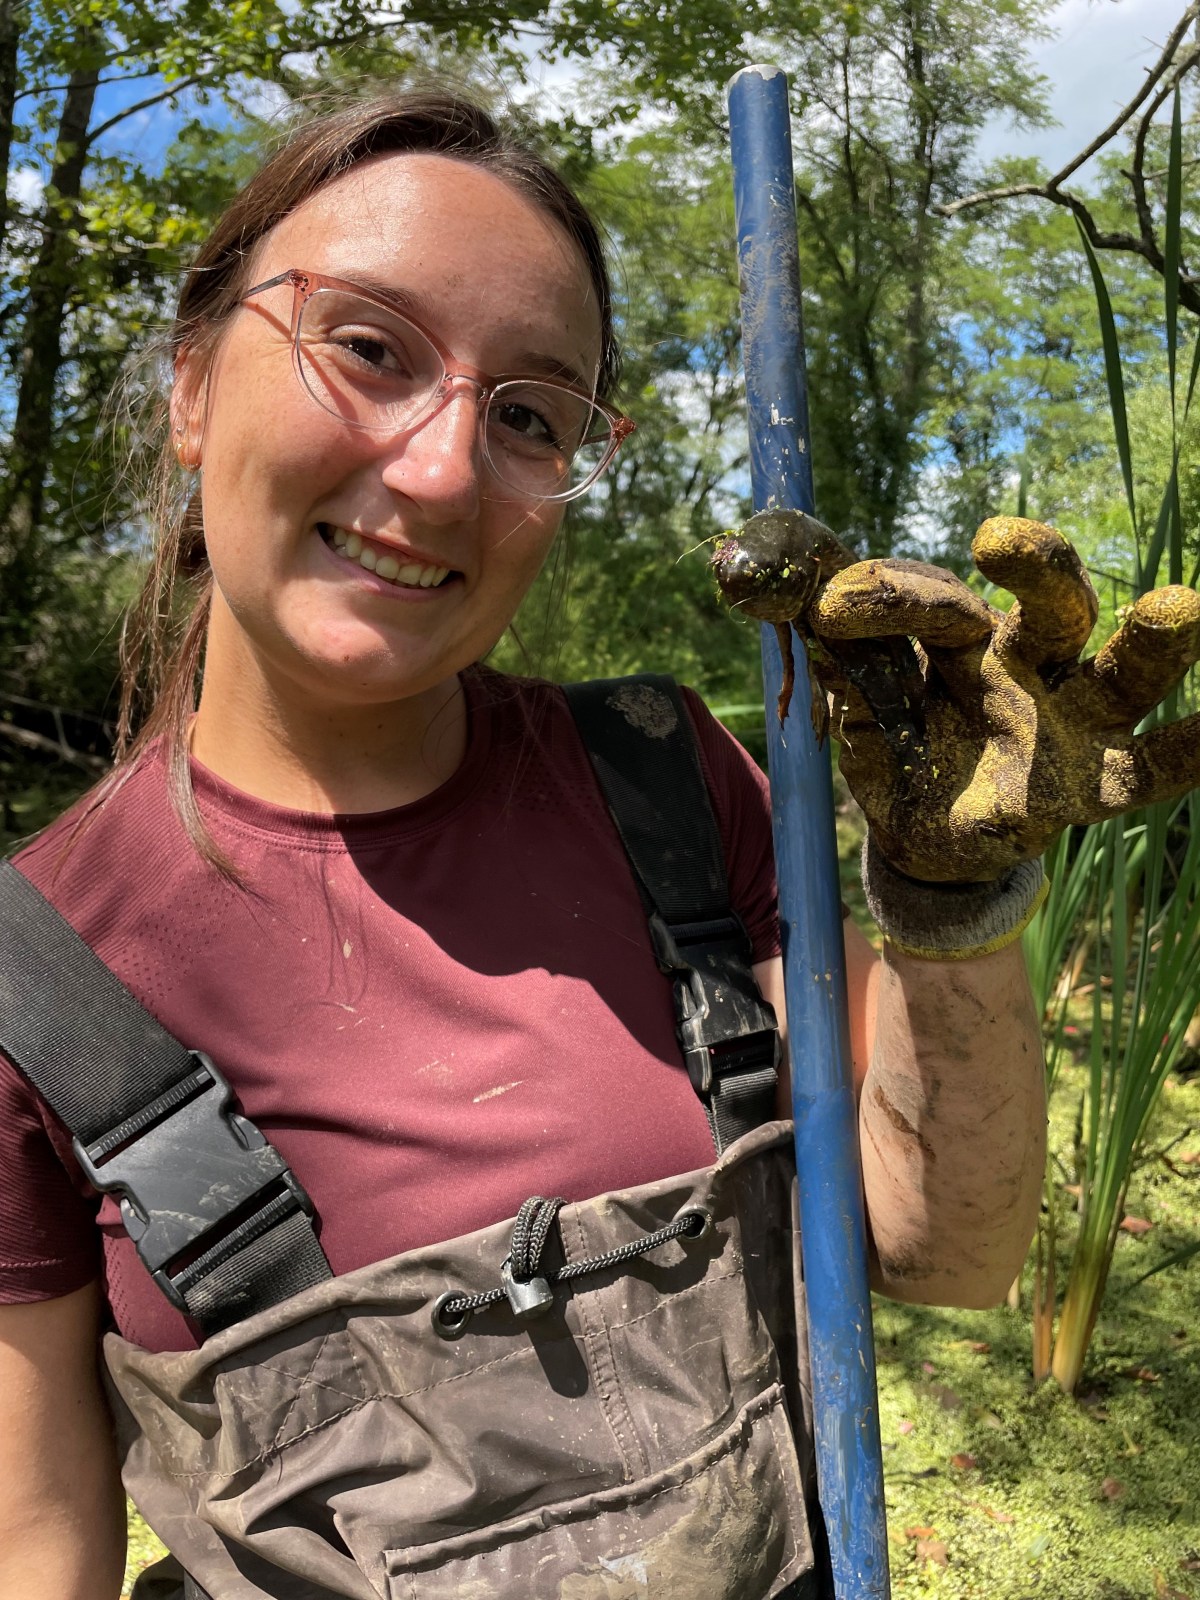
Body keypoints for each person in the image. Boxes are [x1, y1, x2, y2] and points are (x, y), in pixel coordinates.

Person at [6, 83, 1192, 1600]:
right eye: (368, 347)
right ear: (190, 385)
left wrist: (950, 902)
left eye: (529, 416)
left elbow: (938, 1247)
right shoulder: (35, 978)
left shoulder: (670, 791)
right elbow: (35, 1540)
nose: (441, 471)